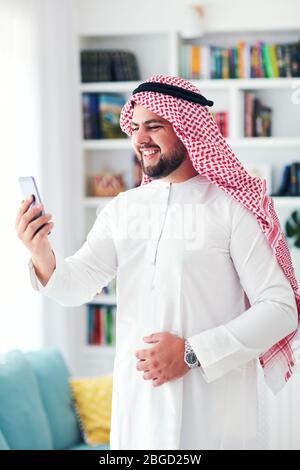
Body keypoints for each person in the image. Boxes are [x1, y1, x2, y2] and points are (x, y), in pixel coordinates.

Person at [15, 75, 299, 450]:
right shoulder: (122, 209)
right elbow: (74, 286)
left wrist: (191, 353)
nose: (140, 139)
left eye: (154, 125)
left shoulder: (231, 210)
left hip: (212, 412)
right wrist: (40, 252)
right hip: (140, 412)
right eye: (134, 127)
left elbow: (280, 310)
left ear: (187, 128)